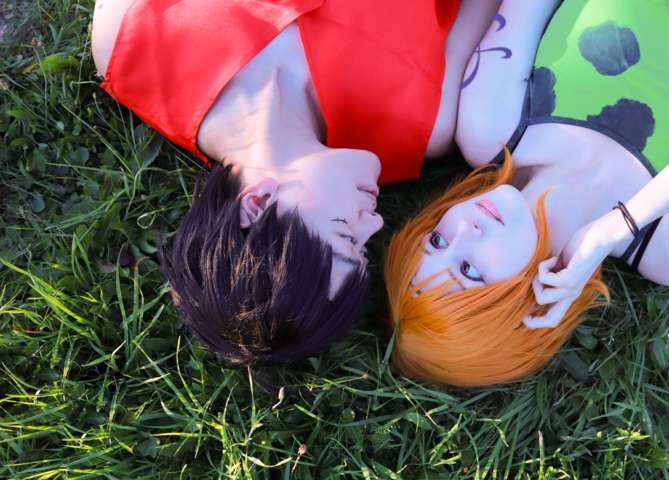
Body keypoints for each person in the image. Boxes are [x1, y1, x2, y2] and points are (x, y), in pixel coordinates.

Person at [385, 0, 669, 387]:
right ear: (524, 306)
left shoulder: (493, 127)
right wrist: (613, 228)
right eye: (469, 269)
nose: (463, 229)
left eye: (436, 240)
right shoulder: (664, 250)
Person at [90, 0, 501, 365]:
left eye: (346, 234)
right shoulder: (422, 124)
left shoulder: (132, 42)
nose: (375, 222)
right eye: (364, 247)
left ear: (257, 203)